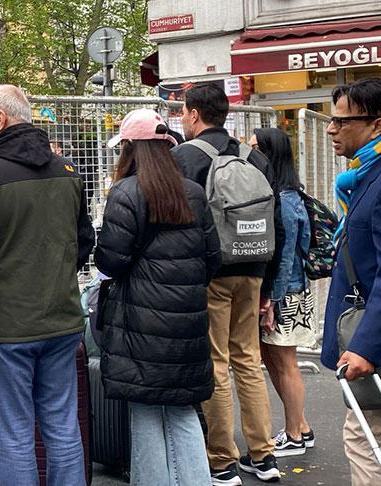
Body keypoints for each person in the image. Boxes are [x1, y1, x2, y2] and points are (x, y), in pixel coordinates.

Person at [0, 85, 96, 485]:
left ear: (0, 119)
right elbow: (84, 242)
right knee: (62, 427)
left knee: (11, 434)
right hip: (61, 322)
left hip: (4, 330)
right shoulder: (66, 172)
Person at [94, 108, 221, 486]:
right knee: (182, 412)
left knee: (146, 413)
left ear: (131, 148)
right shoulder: (193, 193)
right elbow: (212, 258)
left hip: (140, 325)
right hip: (188, 322)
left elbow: (111, 260)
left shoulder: (127, 192)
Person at [172, 83, 282, 484]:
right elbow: (277, 221)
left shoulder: (184, 157)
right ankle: (263, 455)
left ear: (195, 114)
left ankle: (222, 460)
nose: (182, 119)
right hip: (254, 268)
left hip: (211, 273)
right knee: (248, 360)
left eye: (183, 113)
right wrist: (267, 284)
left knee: (216, 363)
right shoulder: (255, 157)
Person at [321, 78, 381, 485]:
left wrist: (365, 347)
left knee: (364, 442)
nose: (330, 129)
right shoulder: (364, 177)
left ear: (376, 125)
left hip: (372, 352)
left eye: (341, 122)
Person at [250, 127, 317, 458]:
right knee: (273, 358)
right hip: (284, 291)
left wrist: (272, 301)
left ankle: (295, 434)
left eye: (256, 149)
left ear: (269, 153)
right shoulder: (286, 194)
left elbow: (286, 255)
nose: (250, 156)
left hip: (285, 294)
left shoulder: (286, 200)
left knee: (286, 361)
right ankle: (300, 427)